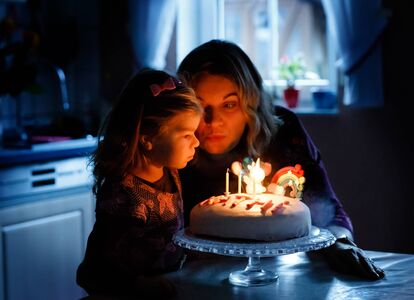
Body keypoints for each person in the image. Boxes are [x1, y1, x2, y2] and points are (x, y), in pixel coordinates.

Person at [177, 39, 385, 280]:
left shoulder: (283, 133)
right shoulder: (170, 146)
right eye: (201, 107)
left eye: (230, 104)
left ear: (250, 103)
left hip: (276, 277)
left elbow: (328, 210)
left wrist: (339, 241)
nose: (213, 121)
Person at [76, 69, 202, 299]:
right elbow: (98, 266)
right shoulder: (123, 195)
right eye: (186, 135)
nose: (196, 142)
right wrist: (139, 285)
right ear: (148, 139)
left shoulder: (170, 171)